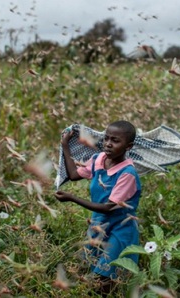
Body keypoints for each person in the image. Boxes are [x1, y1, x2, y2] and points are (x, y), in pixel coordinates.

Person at [54, 120, 142, 296]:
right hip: (98, 226)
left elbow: (108, 207)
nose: (108, 144)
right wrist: (65, 145)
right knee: (90, 273)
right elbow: (73, 175)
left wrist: (72, 198)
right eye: (106, 138)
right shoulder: (99, 159)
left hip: (119, 230)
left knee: (104, 281)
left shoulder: (127, 174)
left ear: (128, 146)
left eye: (115, 141)